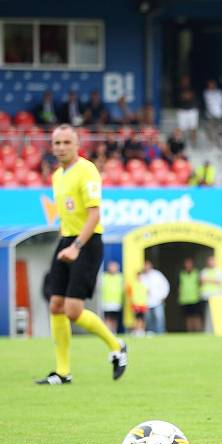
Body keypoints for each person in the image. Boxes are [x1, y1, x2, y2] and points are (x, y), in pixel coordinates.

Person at [36, 125, 127, 385]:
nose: (61, 147)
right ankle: (63, 372)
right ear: (51, 146)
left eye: (66, 142)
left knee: (73, 310)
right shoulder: (57, 176)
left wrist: (76, 246)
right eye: (57, 143)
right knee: (55, 304)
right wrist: (65, 243)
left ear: (77, 145)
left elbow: (94, 214)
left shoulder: (87, 170)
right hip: (66, 240)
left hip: (87, 243)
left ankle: (116, 345)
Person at [140, 260, 170, 335]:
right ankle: (150, 333)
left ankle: (161, 333)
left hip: (157, 301)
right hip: (146, 302)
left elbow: (165, 285)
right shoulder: (142, 276)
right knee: (148, 319)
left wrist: (163, 296)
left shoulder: (157, 275)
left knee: (159, 318)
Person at [200, 256, 222, 330]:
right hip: (206, 296)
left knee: (216, 314)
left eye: (212, 261)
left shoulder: (219, 271)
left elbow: (219, 282)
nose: (210, 263)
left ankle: (217, 329)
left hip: (216, 296)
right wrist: (212, 280)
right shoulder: (204, 271)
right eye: (209, 261)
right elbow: (202, 281)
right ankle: (208, 329)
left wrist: (207, 280)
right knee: (207, 314)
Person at [178, 258, 203, 332]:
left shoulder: (196, 273)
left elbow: (200, 284)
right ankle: (190, 331)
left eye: (189, 263)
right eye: (186, 263)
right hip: (185, 298)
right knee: (188, 316)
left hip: (195, 297)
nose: (188, 265)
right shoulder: (182, 273)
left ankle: (198, 330)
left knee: (196, 315)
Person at [101, 260, 124, 333]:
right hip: (106, 301)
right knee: (107, 318)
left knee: (114, 318)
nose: (112, 268)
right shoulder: (104, 276)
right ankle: (108, 332)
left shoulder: (120, 277)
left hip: (117, 302)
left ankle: (114, 332)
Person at [128, 271, 148, 336]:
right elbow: (130, 295)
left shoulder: (145, 284)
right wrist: (133, 303)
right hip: (136, 304)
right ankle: (136, 330)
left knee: (142, 318)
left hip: (143, 304)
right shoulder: (133, 284)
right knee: (136, 318)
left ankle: (142, 330)